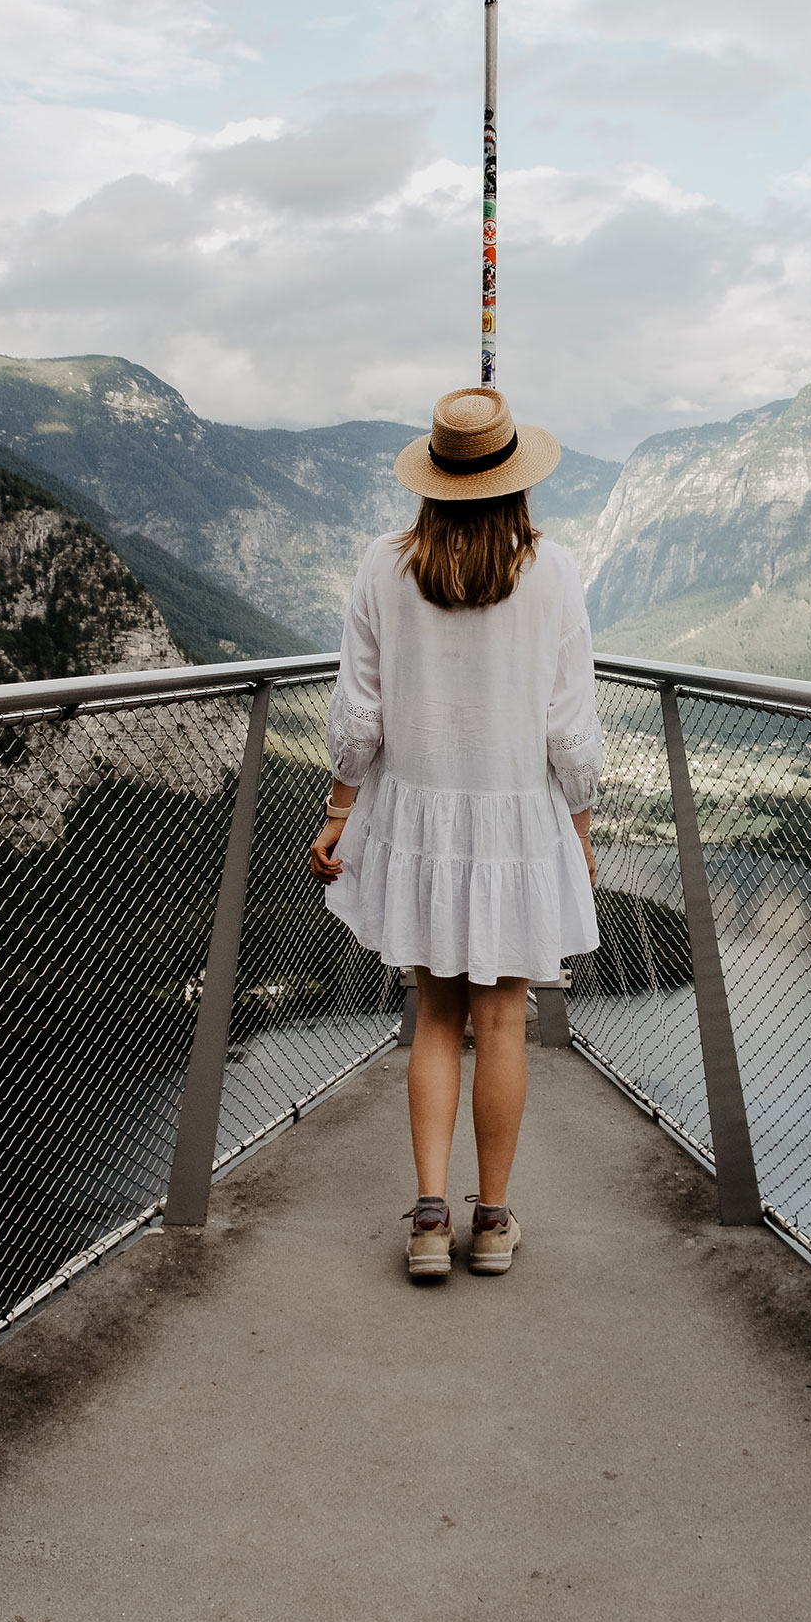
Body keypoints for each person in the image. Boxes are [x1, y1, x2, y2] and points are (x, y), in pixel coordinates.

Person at [310, 387, 601, 1281]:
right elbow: (571, 733)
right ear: (515, 480)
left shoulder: (380, 567)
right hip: (514, 818)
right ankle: (494, 1220)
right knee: (503, 1023)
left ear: (432, 479)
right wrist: (581, 830)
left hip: (419, 816)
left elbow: (359, 719)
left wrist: (338, 809)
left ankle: (429, 1218)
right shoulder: (550, 573)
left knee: (432, 1015)